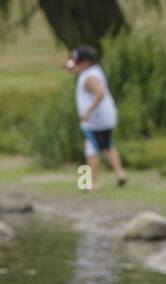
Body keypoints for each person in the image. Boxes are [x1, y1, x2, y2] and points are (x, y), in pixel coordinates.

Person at [65, 45, 127, 190]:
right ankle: (120, 174)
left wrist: (88, 111)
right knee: (107, 145)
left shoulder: (89, 77)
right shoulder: (95, 70)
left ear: (86, 62)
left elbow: (100, 92)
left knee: (91, 149)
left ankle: (91, 183)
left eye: (78, 63)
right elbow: (72, 68)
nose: (75, 67)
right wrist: (68, 66)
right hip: (105, 117)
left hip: (95, 120)